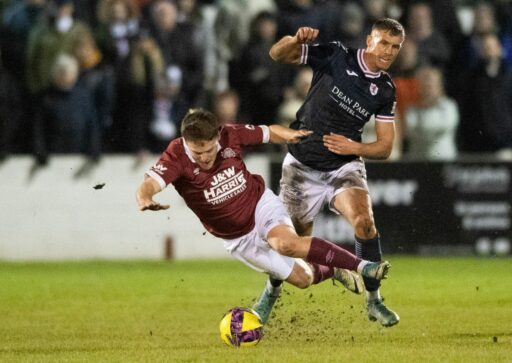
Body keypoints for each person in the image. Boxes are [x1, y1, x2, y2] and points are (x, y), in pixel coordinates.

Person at [136, 108, 391, 324]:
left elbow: (268, 132)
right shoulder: (176, 155)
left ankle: (363, 266)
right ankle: (333, 270)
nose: (203, 158)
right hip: (237, 238)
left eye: (209, 150)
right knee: (303, 279)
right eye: (197, 152)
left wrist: (291, 136)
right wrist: (145, 198)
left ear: (217, 136)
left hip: (260, 205)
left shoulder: (230, 134)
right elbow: (150, 182)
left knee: (286, 243)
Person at [268, 18, 404, 327]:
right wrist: (293, 39)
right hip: (302, 165)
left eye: (395, 47)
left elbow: (384, 148)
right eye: (384, 43)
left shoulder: (384, 89)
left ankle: (374, 302)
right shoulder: (336, 56)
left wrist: (351, 148)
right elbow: (277, 55)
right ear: (369, 40)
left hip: (343, 165)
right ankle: (268, 297)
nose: (389, 51)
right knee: (290, 247)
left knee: (365, 223)